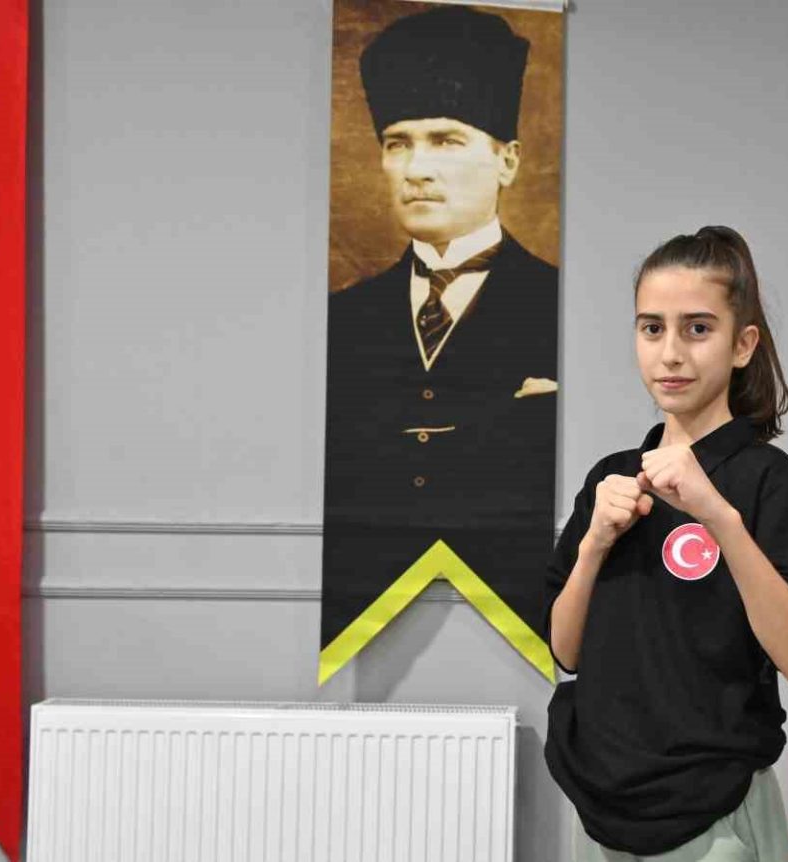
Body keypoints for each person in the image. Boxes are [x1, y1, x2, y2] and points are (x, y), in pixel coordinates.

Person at [543, 227, 788, 860]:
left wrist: (718, 517)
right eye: (652, 328)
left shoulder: (769, 483)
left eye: (698, 329)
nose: (671, 353)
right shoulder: (612, 479)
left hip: (715, 810)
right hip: (600, 804)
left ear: (743, 345)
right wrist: (594, 544)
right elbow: (566, 652)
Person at [322, 6, 559, 669]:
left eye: (447, 141)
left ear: (507, 161)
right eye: (398, 143)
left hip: (517, 607)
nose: (416, 168)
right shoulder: (343, 319)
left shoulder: (562, 306)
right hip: (364, 613)